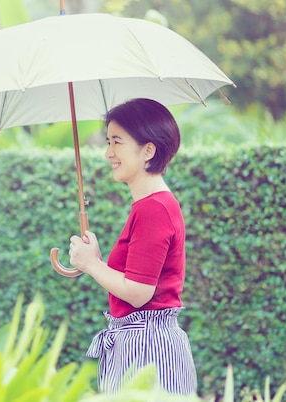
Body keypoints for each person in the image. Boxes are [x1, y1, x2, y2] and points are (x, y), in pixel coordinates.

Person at [68, 98, 197, 395]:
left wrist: (92, 265)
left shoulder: (154, 208)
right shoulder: (151, 205)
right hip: (142, 346)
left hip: (147, 353)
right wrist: (97, 261)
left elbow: (139, 293)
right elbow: (134, 283)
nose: (108, 152)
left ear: (148, 150)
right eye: (108, 141)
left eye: (117, 142)